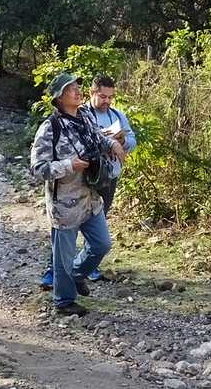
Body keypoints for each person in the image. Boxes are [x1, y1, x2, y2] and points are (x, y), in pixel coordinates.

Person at [30, 73, 126, 316]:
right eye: (70, 88)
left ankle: (78, 273)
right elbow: (37, 169)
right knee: (63, 256)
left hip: (90, 196)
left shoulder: (84, 116)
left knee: (102, 244)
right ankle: (63, 300)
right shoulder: (49, 128)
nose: (77, 91)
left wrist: (112, 144)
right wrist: (68, 165)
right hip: (65, 202)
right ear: (59, 97)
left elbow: (98, 138)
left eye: (77, 87)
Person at [82, 74, 136, 280]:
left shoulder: (117, 115)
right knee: (76, 223)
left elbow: (132, 140)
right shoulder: (82, 114)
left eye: (110, 97)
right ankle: (62, 268)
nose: (107, 101)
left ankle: (89, 266)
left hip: (109, 176)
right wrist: (105, 142)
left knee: (100, 220)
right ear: (92, 93)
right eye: (103, 97)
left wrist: (121, 142)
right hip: (86, 176)